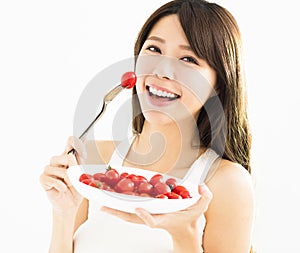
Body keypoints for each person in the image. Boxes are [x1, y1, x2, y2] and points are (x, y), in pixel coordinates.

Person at [40, 0, 255, 252]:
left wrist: (184, 237)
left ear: (217, 85)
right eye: (154, 49)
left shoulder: (226, 183)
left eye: (188, 59)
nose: (162, 71)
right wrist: (63, 212)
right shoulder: (94, 159)